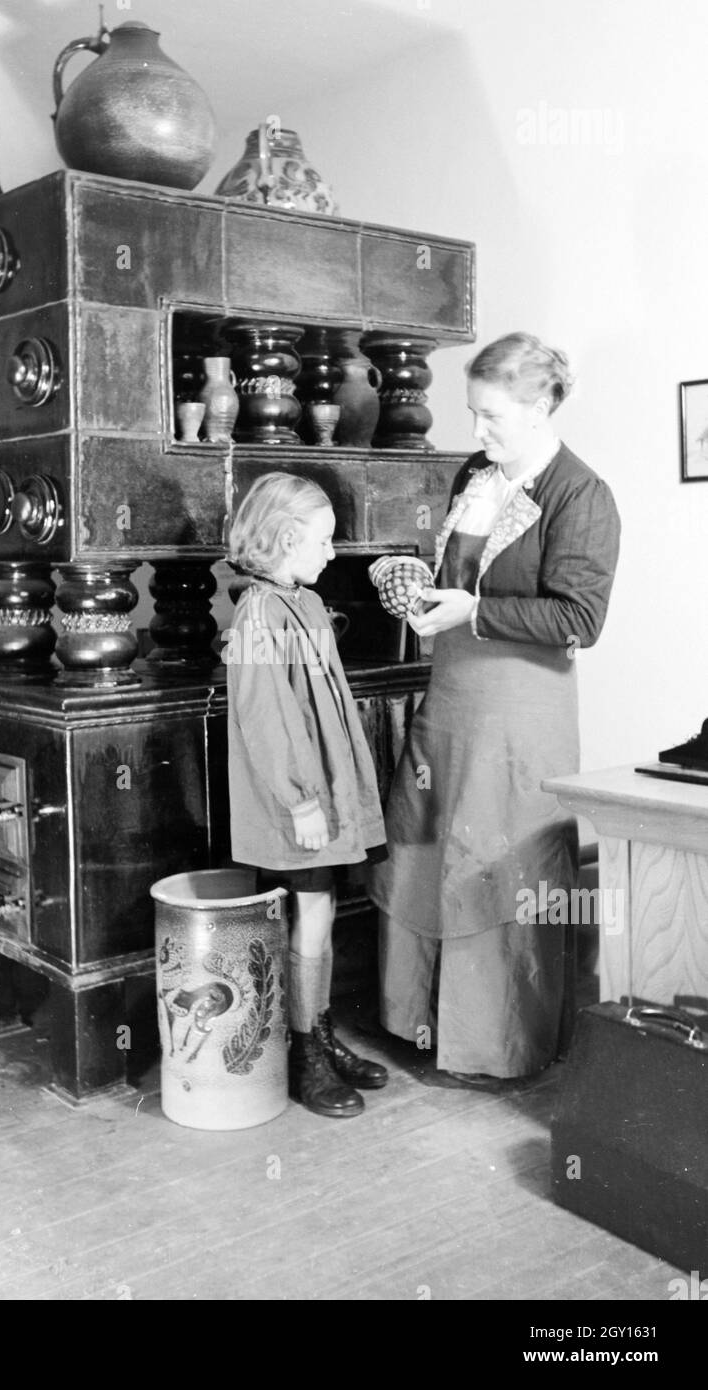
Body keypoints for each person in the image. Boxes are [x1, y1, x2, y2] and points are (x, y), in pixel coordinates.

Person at [369, 332, 621, 1085]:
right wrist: (423, 599)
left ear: (542, 407)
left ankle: (496, 1042)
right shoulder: (473, 476)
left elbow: (579, 620)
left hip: (519, 709)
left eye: (492, 417)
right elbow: (462, 581)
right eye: (471, 413)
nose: (476, 433)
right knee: (422, 840)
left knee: (498, 858)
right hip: (450, 697)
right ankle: (416, 1020)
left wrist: (471, 611)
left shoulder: (581, 495)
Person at [226, 472, 389, 1117]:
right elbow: (265, 717)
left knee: (320, 916)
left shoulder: (305, 603)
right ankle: (304, 1052)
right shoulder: (259, 610)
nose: (331, 551)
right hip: (297, 804)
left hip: (324, 793)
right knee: (312, 917)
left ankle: (316, 1034)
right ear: (287, 537)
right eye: (323, 540)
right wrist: (301, 800)